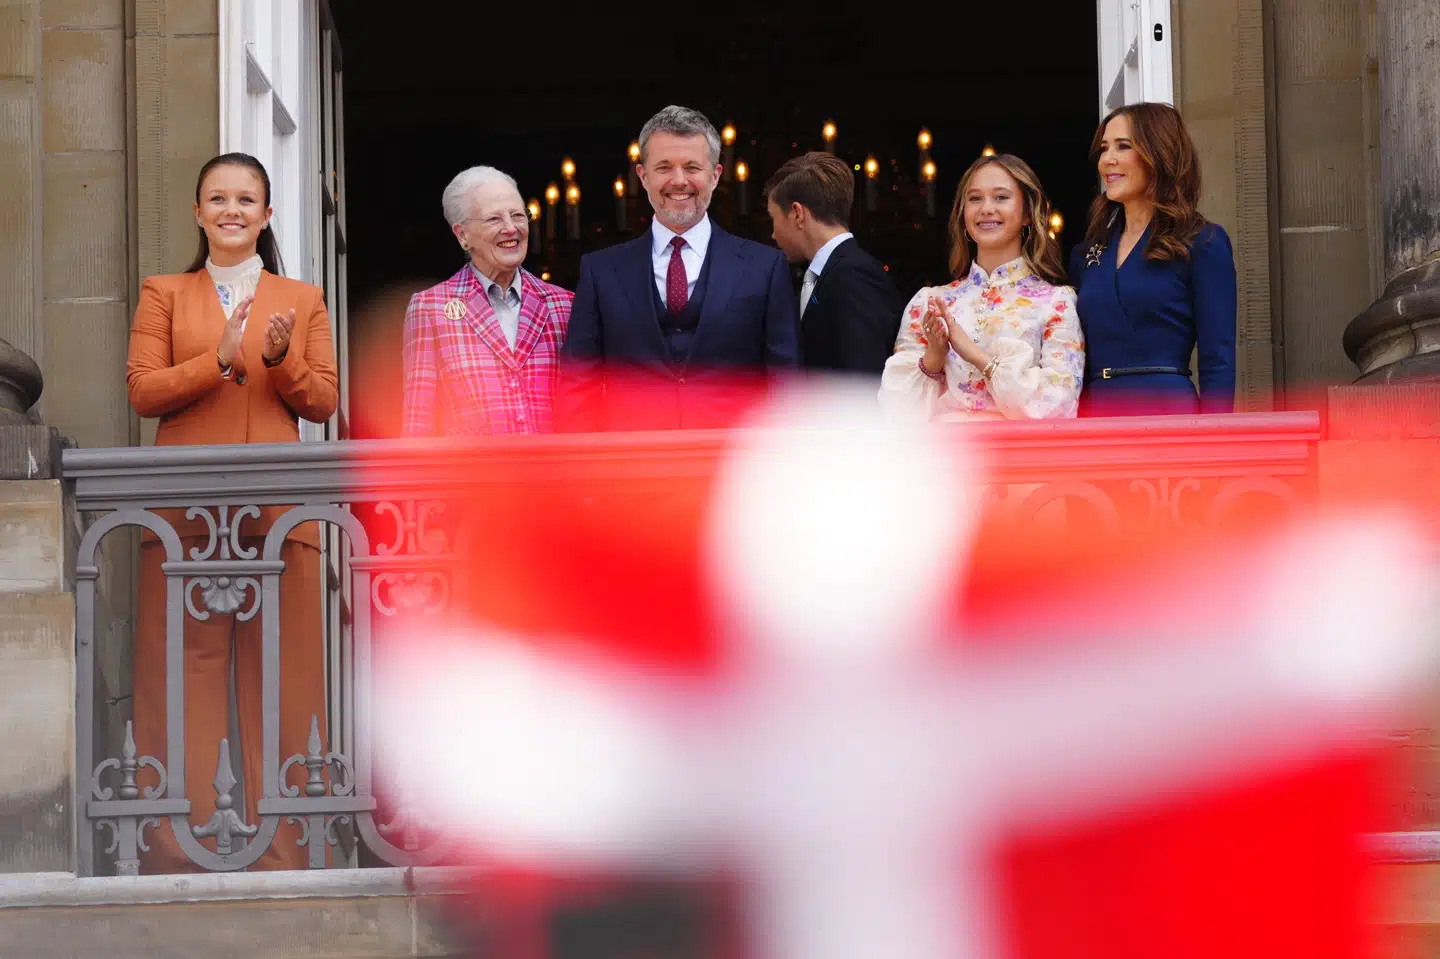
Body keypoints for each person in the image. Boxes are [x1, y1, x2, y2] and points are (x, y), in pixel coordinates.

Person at [126, 152, 338, 872]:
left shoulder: (302, 297)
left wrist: (280, 359)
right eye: (217, 197)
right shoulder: (164, 292)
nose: (231, 209)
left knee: (286, 677)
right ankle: (175, 853)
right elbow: (143, 391)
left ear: (268, 214)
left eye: (246, 198)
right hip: (184, 511)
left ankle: (288, 850)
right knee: (180, 675)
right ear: (197, 212)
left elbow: (324, 402)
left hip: (278, 512)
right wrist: (215, 359)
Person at [557, 105, 799, 431]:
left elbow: (785, 384)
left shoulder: (765, 267)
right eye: (664, 167)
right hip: (631, 468)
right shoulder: (600, 271)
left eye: (692, 167)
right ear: (643, 176)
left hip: (733, 465)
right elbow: (578, 386)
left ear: (715, 175)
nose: (679, 181)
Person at [878, 153, 1084, 421]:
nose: (986, 208)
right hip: (944, 458)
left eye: (1001, 197)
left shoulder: (1055, 303)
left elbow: (1058, 407)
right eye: (975, 198)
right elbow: (895, 415)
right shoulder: (930, 302)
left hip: (1019, 459)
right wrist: (934, 359)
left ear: (1026, 214)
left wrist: (975, 355)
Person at [1070, 102, 1237, 416]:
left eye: (1123, 147)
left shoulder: (1203, 242)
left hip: (1169, 417)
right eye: (1104, 148)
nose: (1108, 160)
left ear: (1158, 154)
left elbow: (1218, 359)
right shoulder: (1087, 254)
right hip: (1095, 419)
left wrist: (1217, 443)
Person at [402, 166, 574, 436]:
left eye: (518, 215)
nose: (511, 228)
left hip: (553, 475)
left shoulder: (564, 305)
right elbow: (418, 424)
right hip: (472, 477)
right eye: (494, 219)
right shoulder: (431, 308)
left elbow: (588, 410)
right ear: (462, 235)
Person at [764, 151, 902, 376]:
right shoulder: (830, 272)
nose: (772, 234)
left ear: (797, 213)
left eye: (774, 218)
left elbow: (862, 380)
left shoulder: (852, 275)